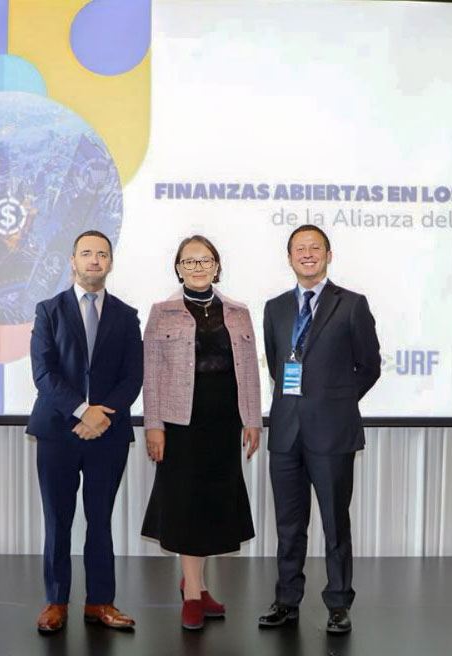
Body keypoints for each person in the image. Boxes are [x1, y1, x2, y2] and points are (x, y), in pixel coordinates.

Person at [258, 225, 380, 635]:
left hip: (332, 433)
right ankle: (287, 600)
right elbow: (278, 365)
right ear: (288, 257)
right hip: (286, 433)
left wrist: (337, 401)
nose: (307, 254)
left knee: (334, 522)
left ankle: (338, 603)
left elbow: (370, 365)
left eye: (315, 248)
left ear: (329, 255)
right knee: (289, 525)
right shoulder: (274, 308)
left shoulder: (351, 304)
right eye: (299, 249)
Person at [141, 235, 262, 630]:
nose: (197, 267)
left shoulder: (239, 312)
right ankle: (192, 594)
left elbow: (250, 373)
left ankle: (198, 583)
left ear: (216, 266)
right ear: (177, 267)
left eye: (204, 260)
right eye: (189, 261)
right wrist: (154, 427)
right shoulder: (162, 312)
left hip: (223, 423)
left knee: (212, 507)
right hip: (180, 426)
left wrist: (253, 419)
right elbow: (152, 377)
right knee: (186, 507)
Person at [27, 230, 143, 634]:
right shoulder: (48, 310)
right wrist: (81, 410)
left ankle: (100, 602)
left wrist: (102, 416)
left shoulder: (127, 316)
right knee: (58, 521)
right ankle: (56, 601)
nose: (95, 260)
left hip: (108, 434)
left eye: (102, 255)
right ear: (72, 261)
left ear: (110, 263)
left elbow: (133, 376)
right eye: (87, 254)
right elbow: (44, 373)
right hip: (58, 431)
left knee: (100, 520)